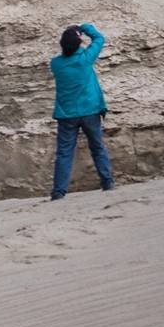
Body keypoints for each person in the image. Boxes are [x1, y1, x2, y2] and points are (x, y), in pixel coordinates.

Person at [49, 22, 116, 199]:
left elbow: (68, 54)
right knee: (97, 147)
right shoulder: (85, 59)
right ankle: (107, 182)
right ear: (79, 44)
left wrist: (73, 34)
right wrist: (83, 27)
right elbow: (99, 38)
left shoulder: (56, 64)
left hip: (66, 115)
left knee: (64, 153)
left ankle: (58, 192)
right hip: (90, 111)